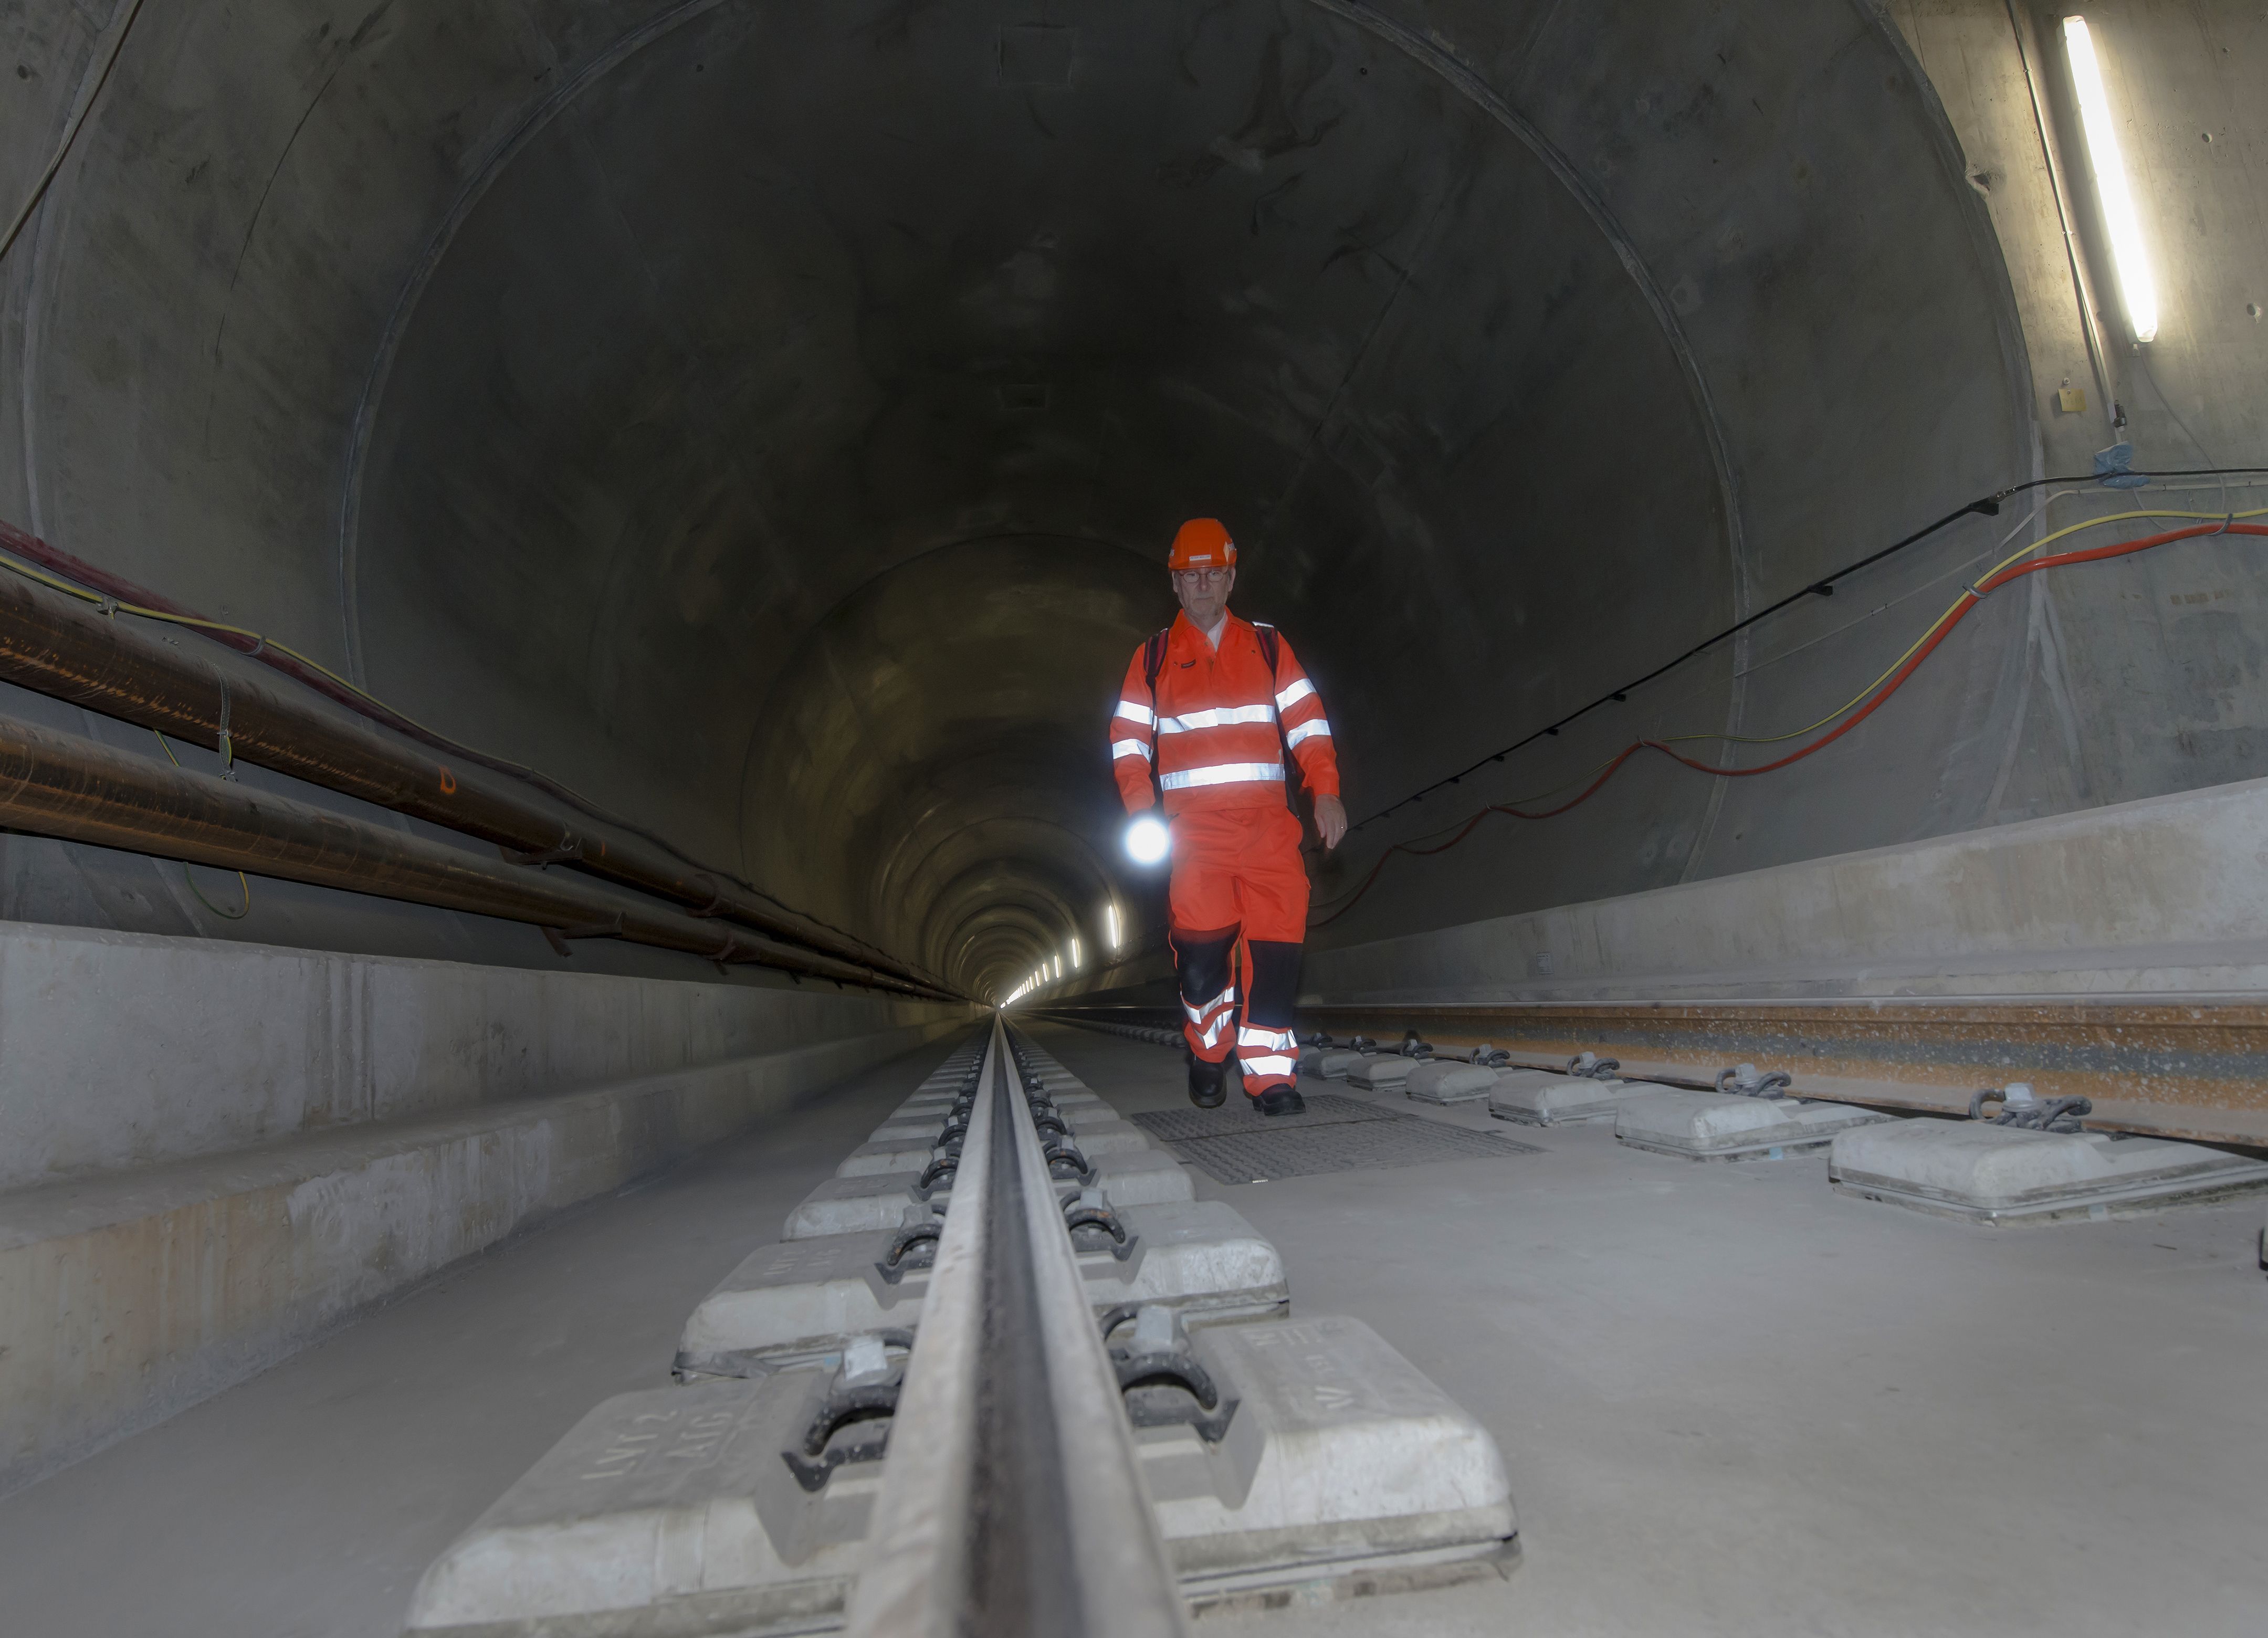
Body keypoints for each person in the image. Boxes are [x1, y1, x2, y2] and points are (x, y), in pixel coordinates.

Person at [1108, 518, 1346, 1115]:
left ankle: (1271, 1077)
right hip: (1194, 840)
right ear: (1176, 584)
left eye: (1213, 573)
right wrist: (1143, 812)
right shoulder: (1154, 658)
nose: (1203, 585)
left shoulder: (1267, 646)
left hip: (1269, 833)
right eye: (1191, 576)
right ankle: (1208, 1050)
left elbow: (1307, 723)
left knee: (1275, 955)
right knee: (1201, 962)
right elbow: (1128, 742)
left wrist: (1326, 788)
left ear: (1232, 577)